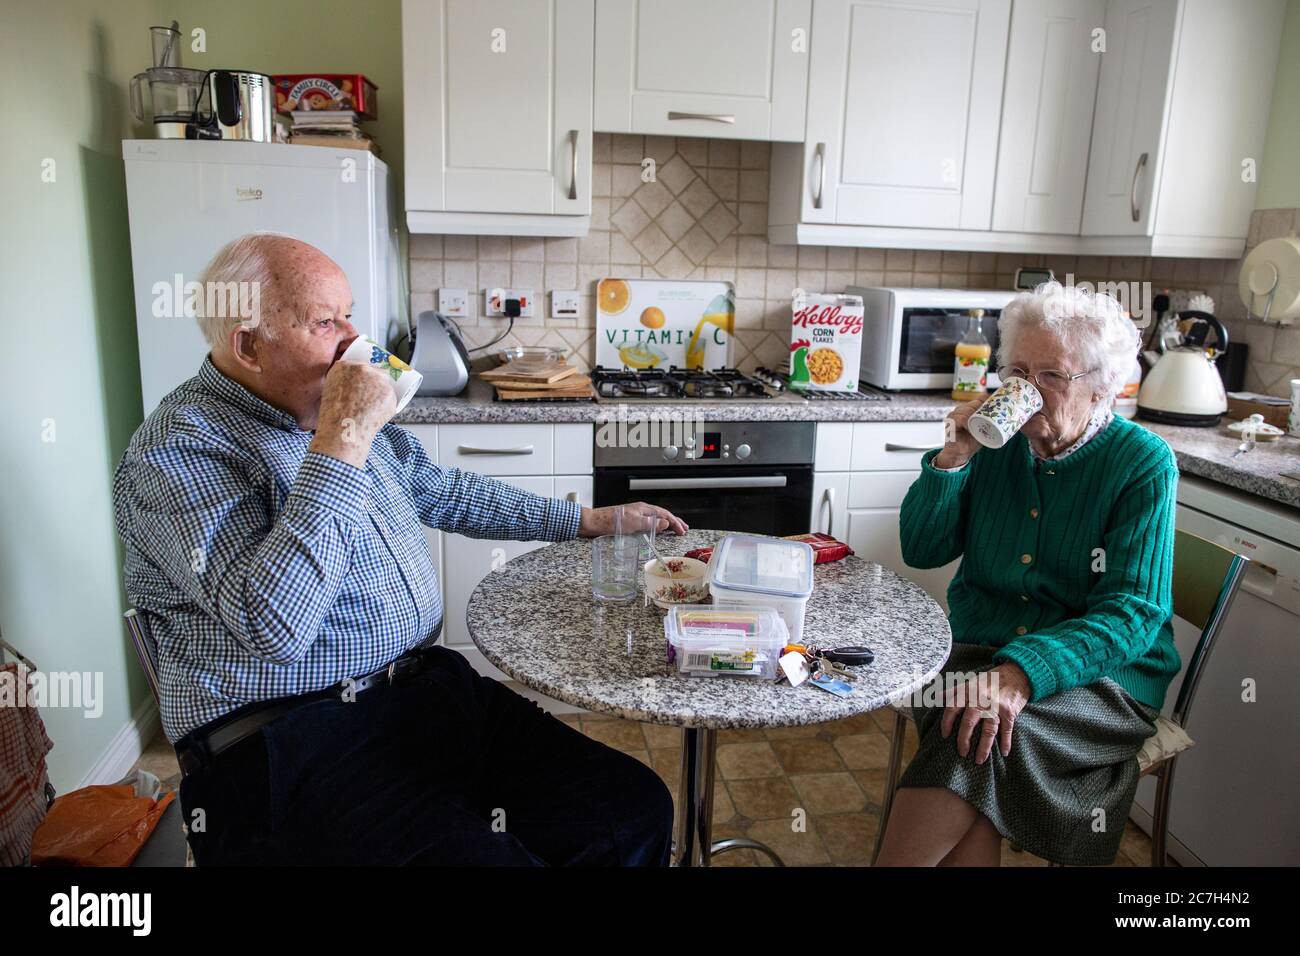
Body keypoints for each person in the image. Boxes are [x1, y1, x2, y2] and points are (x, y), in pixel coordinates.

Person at [113, 233, 686, 865]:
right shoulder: (177, 450)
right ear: (249, 345)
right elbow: (272, 624)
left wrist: (588, 520)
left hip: (423, 693)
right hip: (288, 739)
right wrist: (346, 433)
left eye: (348, 313)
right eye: (325, 322)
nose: (355, 340)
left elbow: (443, 493)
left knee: (631, 811)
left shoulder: (333, 416)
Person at [876, 282, 1177, 867]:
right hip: (981, 652)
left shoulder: (1141, 462)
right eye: (1017, 371)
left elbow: (1134, 612)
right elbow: (922, 547)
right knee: (972, 722)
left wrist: (1018, 677)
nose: (1027, 391)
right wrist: (952, 461)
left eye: (1051, 375)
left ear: (1100, 387)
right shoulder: (996, 445)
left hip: (1105, 677)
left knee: (974, 734)